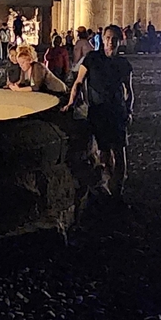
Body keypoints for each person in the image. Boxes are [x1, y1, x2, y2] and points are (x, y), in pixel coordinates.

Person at [65, 25, 135, 198]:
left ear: (120, 41)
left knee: (119, 151)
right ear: (102, 39)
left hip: (117, 112)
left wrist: (129, 110)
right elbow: (79, 82)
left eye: (114, 39)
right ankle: (107, 185)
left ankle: (117, 190)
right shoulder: (92, 58)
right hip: (98, 112)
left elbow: (129, 90)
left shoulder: (123, 64)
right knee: (103, 151)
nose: (111, 42)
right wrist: (71, 103)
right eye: (108, 38)